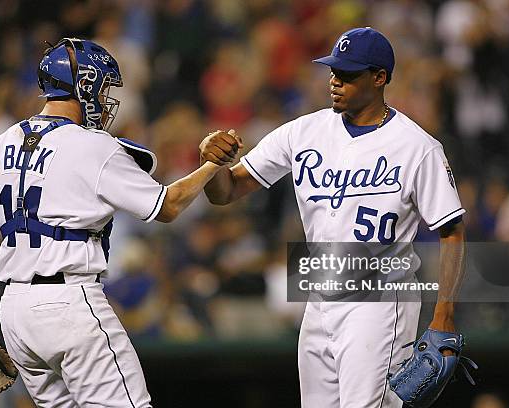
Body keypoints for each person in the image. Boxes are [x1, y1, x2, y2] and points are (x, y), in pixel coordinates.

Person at [0, 38, 232, 407]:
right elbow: (168, 206)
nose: (107, 98)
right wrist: (212, 165)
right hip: (70, 304)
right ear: (86, 85)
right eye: (104, 87)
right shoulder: (93, 145)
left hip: (14, 312)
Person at [200, 27, 467, 408]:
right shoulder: (303, 131)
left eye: (348, 74)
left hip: (380, 300)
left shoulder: (417, 147)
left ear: (379, 78)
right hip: (319, 297)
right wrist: (211, 163)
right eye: (333, 72)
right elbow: (226, 192)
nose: (335, 82)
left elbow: (452, 231)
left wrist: (444, 315)